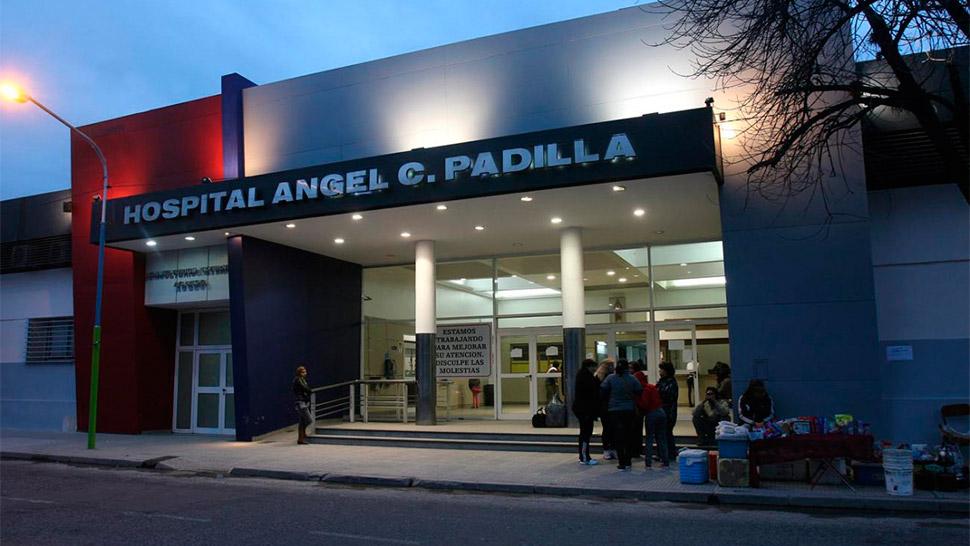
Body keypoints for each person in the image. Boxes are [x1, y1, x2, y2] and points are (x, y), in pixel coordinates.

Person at [600, 359, 643, 471]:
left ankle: (621, 462)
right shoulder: (632, 378)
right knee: (629, 435)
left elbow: (603, 390)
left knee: (618, 436)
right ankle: (628, 460)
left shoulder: (610, 378)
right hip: (629, 410)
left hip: (614, 410)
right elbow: (639, 390)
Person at [633, 361, 669, 467]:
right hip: (661, 412)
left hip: (651, 414)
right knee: (662, 438)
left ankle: (648, 462)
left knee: (649, 438)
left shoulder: (642, 390)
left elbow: (644, 404)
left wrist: (637, 403)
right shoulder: (652, 387)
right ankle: (665, 460)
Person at [571, 358, 601, 465]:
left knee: (586, 432)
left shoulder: (584, 375)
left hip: (584, 409)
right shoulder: (585, 377)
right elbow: (591, 392)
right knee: (585, 433)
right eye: (594, 367)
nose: (595, 369)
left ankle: (585, 456)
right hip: (584, 410)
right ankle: (584, 457)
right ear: (589, 366)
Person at [657, 361, 679, 461]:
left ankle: (669, 454)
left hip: (668, 411)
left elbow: (666, 396)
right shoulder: (663, 381)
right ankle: (663, 454)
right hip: (664, 410)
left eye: (661, 370)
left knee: (666, 433)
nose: (660, 372)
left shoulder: (670, 383)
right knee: (663, 433)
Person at [594, 359, 615, 460]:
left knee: (607, 428)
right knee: (609, 428)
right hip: (608, 406)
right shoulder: (608, 378)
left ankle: (608, 449)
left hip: (604, 406)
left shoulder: (598, 377)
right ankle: (609, 449)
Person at [293, 365, 312, 445]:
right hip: (300, 402)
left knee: (302, 421)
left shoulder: (302, 379)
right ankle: (302, 435)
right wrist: (309, 391)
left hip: (302, 401)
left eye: (305, 372)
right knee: (309, 420)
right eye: (303, 372)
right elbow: (306, 388)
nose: (305, 373)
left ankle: (301, 438)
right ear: (299, 373)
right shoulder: (298, 380)